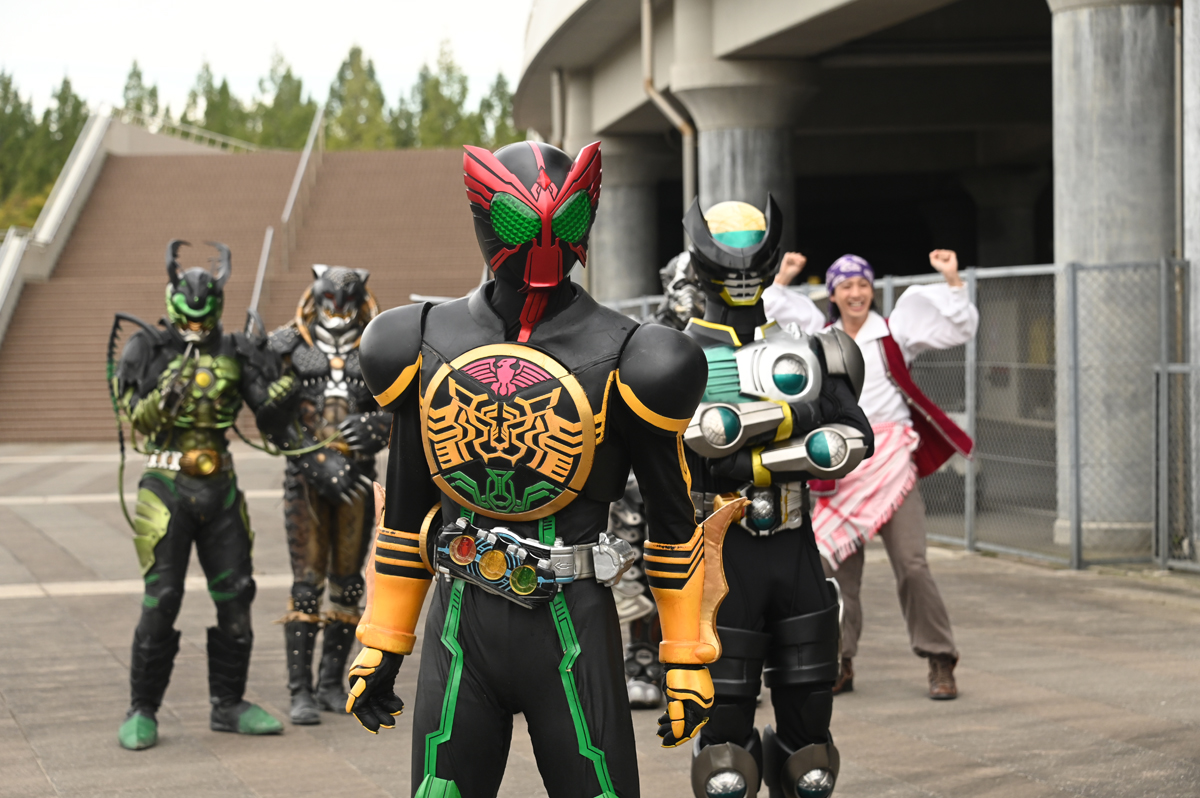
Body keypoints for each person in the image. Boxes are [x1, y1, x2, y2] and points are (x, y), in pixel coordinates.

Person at [345, 140, 732, 798]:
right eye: (523, 221)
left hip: (572, 620)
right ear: (488, 218)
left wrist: (685, 655)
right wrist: (384, 637)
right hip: (460, 620)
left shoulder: (636, 354)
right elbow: (407, 510)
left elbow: (672, 520)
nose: (546, 240)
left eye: (566, 218)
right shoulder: (419, 340)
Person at [682, 198, 874, 798]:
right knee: (725, 753)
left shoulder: (816, 349)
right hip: (721, 553)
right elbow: (678, 456)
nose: (741, 277)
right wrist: (801, 426)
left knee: (811, 748)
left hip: (793, 547)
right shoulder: (674, 355)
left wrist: (743, 443)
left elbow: (854, 437)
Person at [763, 250, 977, 700]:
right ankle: (839, 661)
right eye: (846, 286)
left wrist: (953, 281)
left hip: (893, 464)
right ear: (833, 294)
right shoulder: (821, 336)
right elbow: (770, 315)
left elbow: (959, 329)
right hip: (840, 464)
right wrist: (781, 279)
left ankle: (940, 658)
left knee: (913, 565)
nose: (856, 293)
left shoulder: (894, 333)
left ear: (872, 290)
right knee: (832, 571)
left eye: (862, 284)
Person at [111, 240, 296, 750]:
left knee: (237, 594)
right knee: (163, 596)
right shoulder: (147, 347)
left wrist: (285, 385)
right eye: (187, 318)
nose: (195, 327)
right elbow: (135, 420)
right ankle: (142, 708)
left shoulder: (234, 348)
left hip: (220, 485)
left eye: (203, 318)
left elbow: (265, 410)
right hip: (166, 483)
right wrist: (164, 396)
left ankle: (228, 704)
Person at [269, 265, 389, 724]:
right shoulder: (288, 346)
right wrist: (314, 459)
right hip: (305, 480)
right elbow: (272, 415)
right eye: (330, 303)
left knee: (349, 581)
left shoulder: (378, 346)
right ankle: (300, 689)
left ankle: (330, 683)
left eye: (346, 304)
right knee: (306, 583)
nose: (338, 313)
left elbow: (401, 407)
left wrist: (377, 425)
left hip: (357, 478)